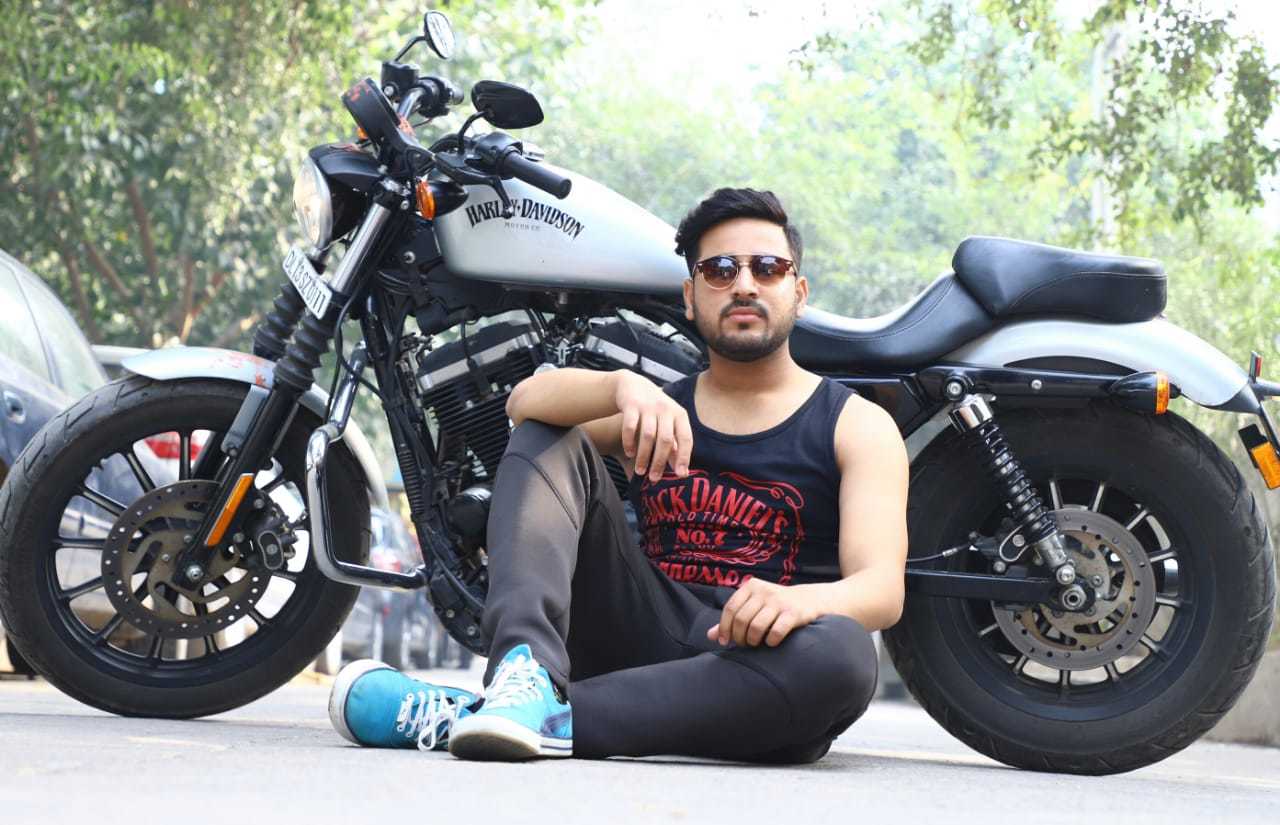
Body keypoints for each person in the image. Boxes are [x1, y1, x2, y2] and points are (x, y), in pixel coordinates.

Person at [327, 187, 910, 762]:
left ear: (798, 292)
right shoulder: (655, 409)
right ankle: (523, 676)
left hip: (765, 662)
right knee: (547, 430)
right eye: (720, 270)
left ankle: (496, 717)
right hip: (638, 632)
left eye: (768, 268)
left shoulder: (855, 425)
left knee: (843, 654)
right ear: (690, 297)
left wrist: (801, 604)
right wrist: (621, 386)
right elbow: (525, 406)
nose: (744, 284)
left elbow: (881, 590)